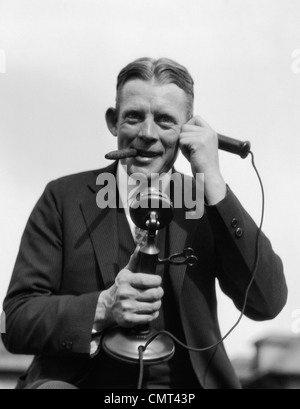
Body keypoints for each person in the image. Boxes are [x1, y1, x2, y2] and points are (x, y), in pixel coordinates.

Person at [2, 57, 287, 389]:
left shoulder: (210, 202)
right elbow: (15, 322)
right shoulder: (63, 198)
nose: (148, 134)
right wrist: (102, 307)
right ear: (113, 121)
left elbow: (267, 302)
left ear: (188, 130)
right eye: (134, 117)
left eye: (165, 121)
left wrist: (213, 180)